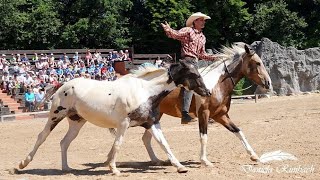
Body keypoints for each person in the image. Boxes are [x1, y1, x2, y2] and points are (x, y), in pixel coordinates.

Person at [161, 12, 216, 124]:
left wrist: (214, 58)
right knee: (192, 84)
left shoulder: (202, 37)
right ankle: (185, 113)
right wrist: (168, 29)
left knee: (204, 86)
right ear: (194, 21)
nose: (203, 22)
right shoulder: (188, 30)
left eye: (204, 20)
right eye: (201, 20)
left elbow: (202, 54)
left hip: (195, 63)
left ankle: (206, 111)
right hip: (186, 62)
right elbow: (175, 35)